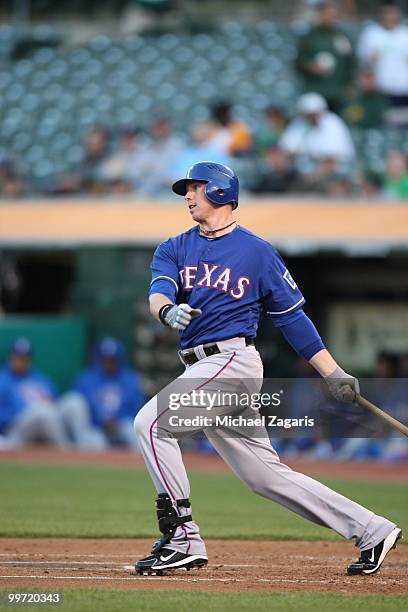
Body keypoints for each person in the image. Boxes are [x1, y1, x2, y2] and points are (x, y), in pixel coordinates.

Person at [133, 161, 401, 576]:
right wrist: (167, 311)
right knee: (265, 477)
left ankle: (183, 536)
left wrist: (332, 371)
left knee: (151, 424)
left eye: (195, 188)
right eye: (186, 190)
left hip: (232, 361)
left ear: (220, 191)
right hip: (201, 368)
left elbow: (292, 318)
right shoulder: (174, 247)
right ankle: (372, 529)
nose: (187, 196)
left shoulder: (257, 252)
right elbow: (158, 294)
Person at [73, 337, 145, 451]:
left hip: (121, 424)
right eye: (105, 359)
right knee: (96, 443)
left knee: (134, 434)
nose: (108, 362)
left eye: (112, 359)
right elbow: (81, 410)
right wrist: (100, 419)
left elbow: (137, 407)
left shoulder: (130, 379)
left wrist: (116, 420)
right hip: (95, 427)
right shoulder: (86, 379)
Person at [0, 337, 68, 449]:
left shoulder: (41, 378)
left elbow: (56, 401)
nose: (21, 360)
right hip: (16, 428)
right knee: (42, 410)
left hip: (47, 423)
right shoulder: (2, 380)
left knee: (74, 400)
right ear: (10, 357)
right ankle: (65, 451)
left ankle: (74, 448)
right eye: (18, 356)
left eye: (25, 357)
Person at [295, 0, 355, 113]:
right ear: (319, 15)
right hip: (315, 91)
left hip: (337, 93)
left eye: (334, 15)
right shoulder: (309, 37)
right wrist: (311, 67)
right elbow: (298, 63)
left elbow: (350, 63)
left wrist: (349, 84)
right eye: (327, 14)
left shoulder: (342, 37)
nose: (331, 17)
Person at [357, 3, 408, 126]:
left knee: (403, 124)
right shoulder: (371, 34)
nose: (389, 17)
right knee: (383, 123)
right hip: (380, 90)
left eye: (392, 13)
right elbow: (363, 63)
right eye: (386, 13)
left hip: (403, 88)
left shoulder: (405, 34)